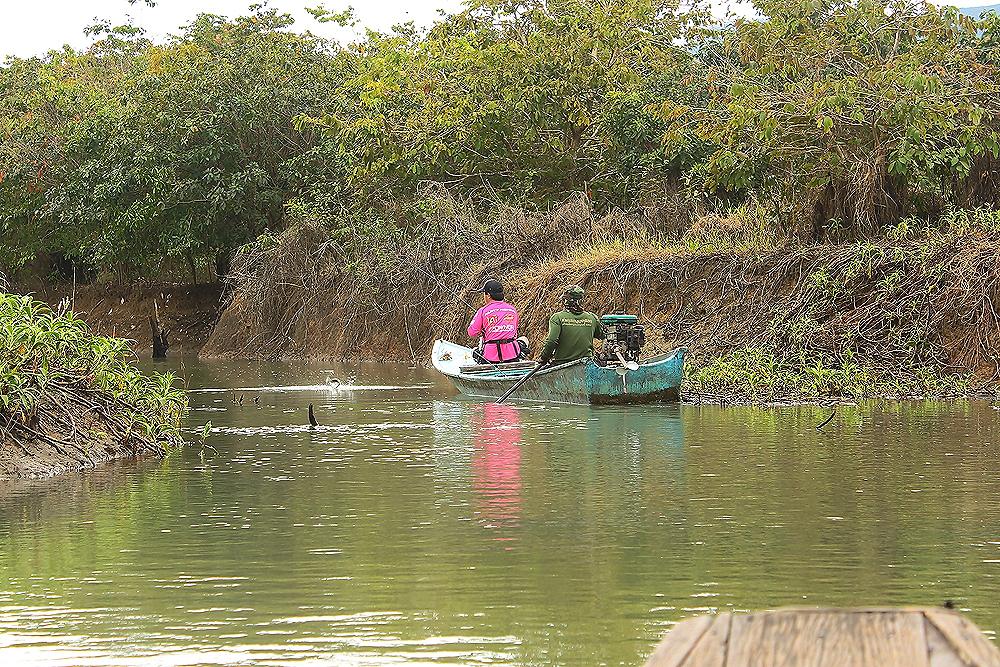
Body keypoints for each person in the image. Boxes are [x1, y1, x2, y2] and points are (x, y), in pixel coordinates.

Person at [538, 285, 604, 365]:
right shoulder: (592, 318)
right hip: (586, 364)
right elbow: (602, 336)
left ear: (565, 300)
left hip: (562, 364)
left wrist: (544, 357)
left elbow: (551, 341)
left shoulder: (557, 318)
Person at [467, 279, 523, 364]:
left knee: (474, 351)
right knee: (524, 339)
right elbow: (514, 333)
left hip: (491, 357)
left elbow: (471, 333)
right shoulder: (512, 310)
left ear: (488, 295)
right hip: (512, 355)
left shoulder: (482, 311)